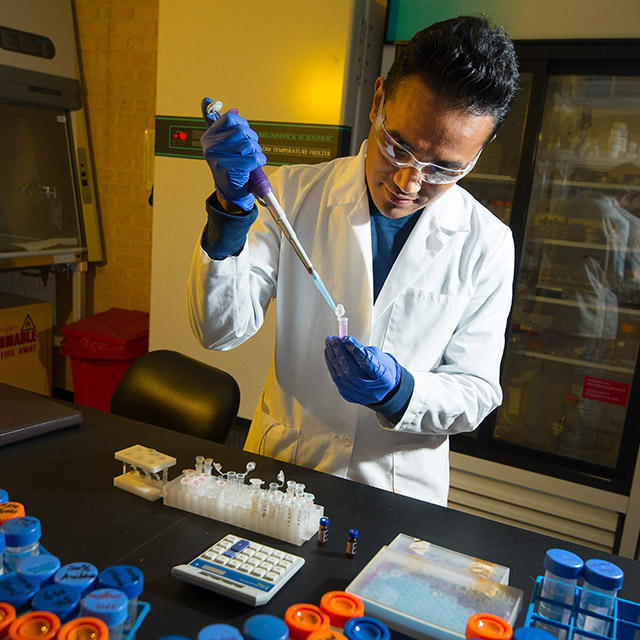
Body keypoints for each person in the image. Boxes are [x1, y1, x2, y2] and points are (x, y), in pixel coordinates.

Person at [187, 15, 519, 506]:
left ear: (482, 147)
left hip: (396, 492)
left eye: (445, 169)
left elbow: (476, 390)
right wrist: (233, 213)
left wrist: (400, 391)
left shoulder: (487, 243)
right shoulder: (294, 193)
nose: (409, 182)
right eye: (398, 146)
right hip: (285, 471)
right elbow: (219, 330)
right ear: (378, 100)